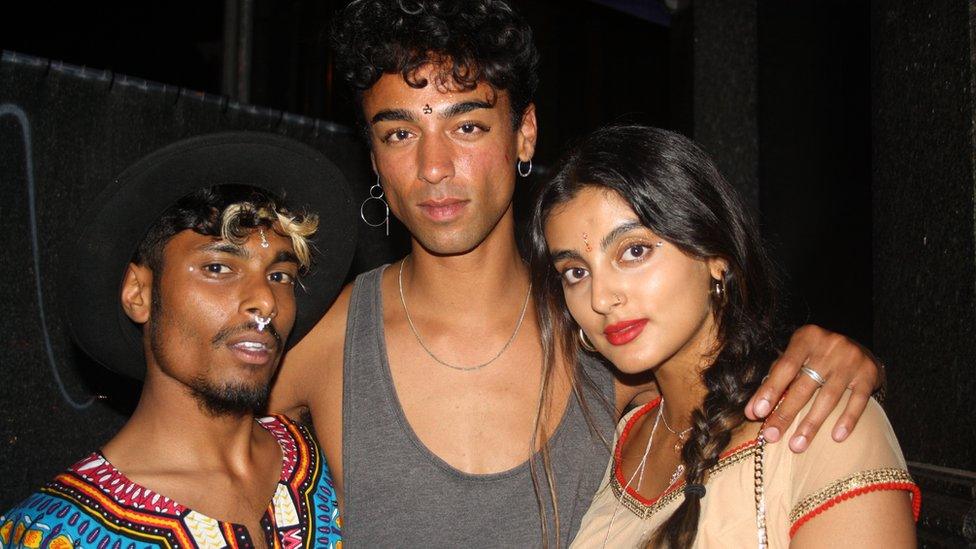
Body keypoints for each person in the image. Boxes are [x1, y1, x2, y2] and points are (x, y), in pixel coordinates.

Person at [269, 1, 885, 545]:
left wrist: (842, 362)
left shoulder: (601, 332)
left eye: (467, 126)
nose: (434, 166)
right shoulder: (327, 338)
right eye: (401, 132)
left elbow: (734, 384)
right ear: (373, 156)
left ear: (524, 133)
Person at [526, 125, 919, 547]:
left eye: (634, 251)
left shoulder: (822, 424)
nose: (600, 297)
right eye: (576, 272)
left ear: (714, 254)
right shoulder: (622, 438)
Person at [0, 133, 355, 549]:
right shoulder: (51, 534)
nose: (265, 300)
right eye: (219, 268)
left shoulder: (336, 465)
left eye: (280, 276)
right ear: (138, 293)